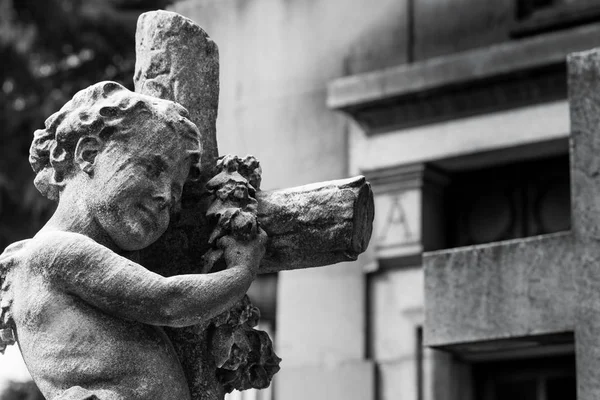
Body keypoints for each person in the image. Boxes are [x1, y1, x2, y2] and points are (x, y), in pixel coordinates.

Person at [0, 81, 266, 400]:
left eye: (177, 190)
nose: (166, 196)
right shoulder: (58, 251)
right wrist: (243, 269)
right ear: (88, 154)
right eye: (152, 168)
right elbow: (170, 302)